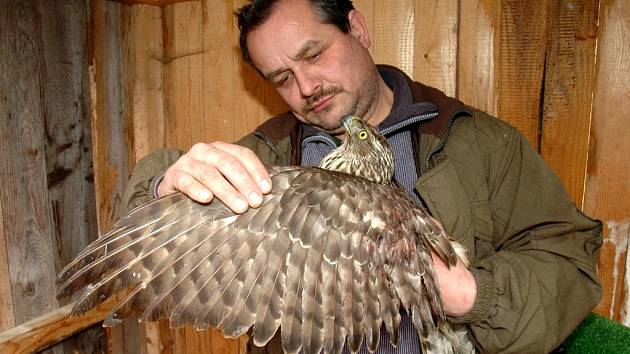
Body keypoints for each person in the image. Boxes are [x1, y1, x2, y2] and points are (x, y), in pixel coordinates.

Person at [120, 0, 603, 352]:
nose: (306, 87)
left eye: (313, 55)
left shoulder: (481, 143)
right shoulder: (264, 159)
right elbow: (140, 244)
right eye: (282, 79)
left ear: (357, 28)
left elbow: (568, 260)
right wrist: (164, 187)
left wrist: (469, 294)